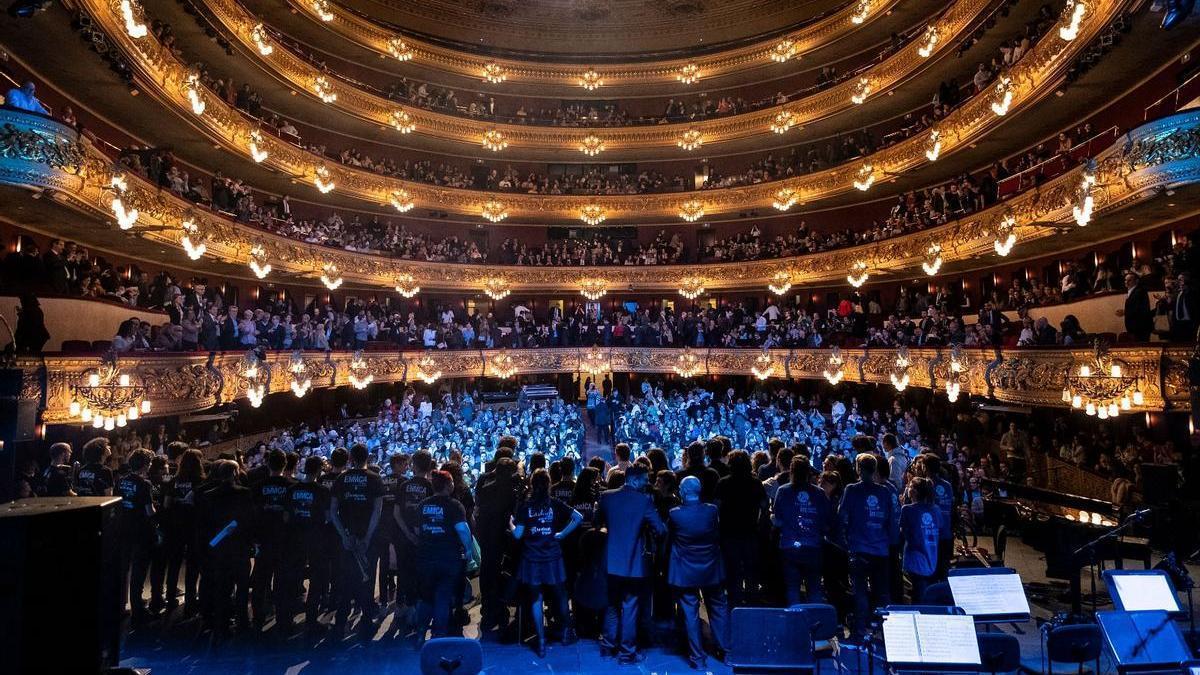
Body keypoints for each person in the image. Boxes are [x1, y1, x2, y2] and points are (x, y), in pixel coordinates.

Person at [595, 464, 666, 665]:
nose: (648, 483)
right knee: (630, 606)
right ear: (634, 479)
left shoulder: (607, 496)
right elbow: (660, 530)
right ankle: (626, 653)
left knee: (611, 605)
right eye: (645, 479)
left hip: (611, 562)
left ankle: (608, 647)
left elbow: (597, 522)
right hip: (634, 564)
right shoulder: (644, 501)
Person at [511, 468, 583, 657]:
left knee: (536, 598)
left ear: (532, 485)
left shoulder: (525, 507)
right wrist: (562, 534)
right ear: (549, 484)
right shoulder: (555, 504)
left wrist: (510, 523)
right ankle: (568, 633)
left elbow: (518, 535)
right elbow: (579, 517)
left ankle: (541, 642)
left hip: (532, 558)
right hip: (552, 556)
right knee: (560, 595)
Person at [668, 476, 729, 670]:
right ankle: (726, 652)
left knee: (690, 612)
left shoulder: (674, 514)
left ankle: (697, 658)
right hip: (710, 568)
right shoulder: (712, 510)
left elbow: (669, 538)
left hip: (685, 570)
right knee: (718, 608)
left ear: (683, 491)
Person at [412, 470, 477, 646]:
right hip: (448, 558)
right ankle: (438, 637)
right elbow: (463, 530)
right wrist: (469, 552)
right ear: (449, 485)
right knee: (442, 596)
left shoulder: (423, 505)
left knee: (425, 597)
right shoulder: (454, 505)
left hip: (426, 557)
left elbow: (417, 531)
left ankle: (419, 633)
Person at [329, 443, 385, 640]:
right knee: (366, 581)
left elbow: (332, 511)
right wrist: (368, 538)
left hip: (346, 539)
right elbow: (377, 512)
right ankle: (366, 623)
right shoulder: (375, 479)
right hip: (367, 540)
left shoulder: (341, 478)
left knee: (346, 582)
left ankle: (340, 624)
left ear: (351, 458)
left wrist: (343, 537)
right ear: (367, 458)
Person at [838, 454, 896, 639]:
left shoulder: (852, 490)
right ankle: (887, 632)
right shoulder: (885, 491)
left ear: (859, 469)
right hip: (880, 549)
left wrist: (843, 539)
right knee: (882, 592)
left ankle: (860, 630)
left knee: (860, 591)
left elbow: (842, 516)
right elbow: (891, 520)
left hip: (859, 548)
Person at [196, 459, 254, 641]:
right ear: (236, 474)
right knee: (242, 587)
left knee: (222, 587)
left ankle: (222, 624)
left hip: (218, 548)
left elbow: (203, 525)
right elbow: (249, 521)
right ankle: (243, 622)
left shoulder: (208, 495)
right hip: (240, 547)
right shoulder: (245, 493)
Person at [771, 456, 833, 605]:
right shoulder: (818, 493)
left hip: (789, 546)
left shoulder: (783, 491)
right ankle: (815, 624)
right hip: (813, 546)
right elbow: (827, 520)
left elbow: (778, 519)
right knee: (814, 589)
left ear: (791, 471)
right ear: (808, 472)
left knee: (793, 588)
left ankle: (795, 623)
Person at [283, 455, 333, 637]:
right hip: (316, 539)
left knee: (293, 578)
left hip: (295, 539)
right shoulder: (322, 491)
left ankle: (286, 619)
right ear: (319, 470)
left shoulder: (292, 489)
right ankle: (311, 620)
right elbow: (328, 517)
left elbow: (286, 517)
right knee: (316, 580)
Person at [714, 449, 766, 606]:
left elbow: (716, 506)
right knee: (751, 570)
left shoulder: (723, 483)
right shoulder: (755, 482)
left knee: (733, 570)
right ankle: (752, 602)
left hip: (729, 533)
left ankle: (735, 604)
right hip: (750, 531)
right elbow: (764, 505)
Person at [249, 448, 293, 631]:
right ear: (285, 465)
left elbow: (251, 514)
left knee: (261, 580)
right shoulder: (293, 485)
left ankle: (258, 616)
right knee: (283, 580)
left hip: (263, 539)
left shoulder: (258, 486)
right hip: (285, 540)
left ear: (267, 464)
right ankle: (283, 619)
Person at [116, 449, 157, 623]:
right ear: (145, 465)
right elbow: (149, 511)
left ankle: (120, 605)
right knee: (138, 572)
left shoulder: (121, 481)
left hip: (124, 529)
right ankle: (138, 609)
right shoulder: (144, 483)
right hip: (141, 531)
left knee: (123, 569)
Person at [162, 448, 203, 614]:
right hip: (193, 527)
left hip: (175, 526)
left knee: (174, 563)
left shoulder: (174, 480)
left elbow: (166, 504)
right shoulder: (201, 481)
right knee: (193, 565)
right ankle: (191, 601)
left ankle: (170, 598)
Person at [899, 477, 941, 604]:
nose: (907, 488)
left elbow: (903, 531)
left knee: (917, 593)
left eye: (910, 486)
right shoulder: (936, 509)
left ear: (915, 491)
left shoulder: (907, 509)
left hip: (915, 557)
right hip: (932, 555)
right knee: (926, 591)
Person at [1118, 272, 1153, 341]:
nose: (1126, 282)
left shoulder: (1139, 291)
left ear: (1136, 281)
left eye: (1129, 280)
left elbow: (1140, 309)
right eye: (1125, 280)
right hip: (1135, 329)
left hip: (1140, 328)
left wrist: (1125, 312)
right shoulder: (1133, 291)